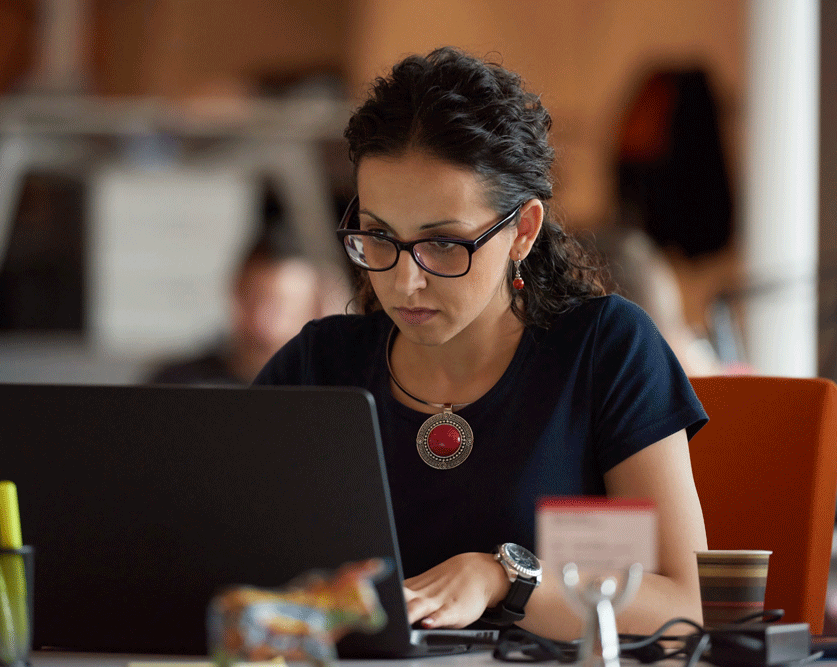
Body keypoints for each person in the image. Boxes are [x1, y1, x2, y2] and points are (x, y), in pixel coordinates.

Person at [254, 47, 708, 641]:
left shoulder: (604, 350)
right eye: (379, 236)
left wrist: (503, 579)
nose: (404, 281)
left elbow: (683, 607)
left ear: (523, 231)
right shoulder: (319, 365)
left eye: (444, 244)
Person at [148, 221, 324, 385]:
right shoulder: (177, 385)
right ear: (234, 291)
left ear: (316, 308)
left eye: (283, 309)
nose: (263, 324)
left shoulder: (328, 390)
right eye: (253, 300)